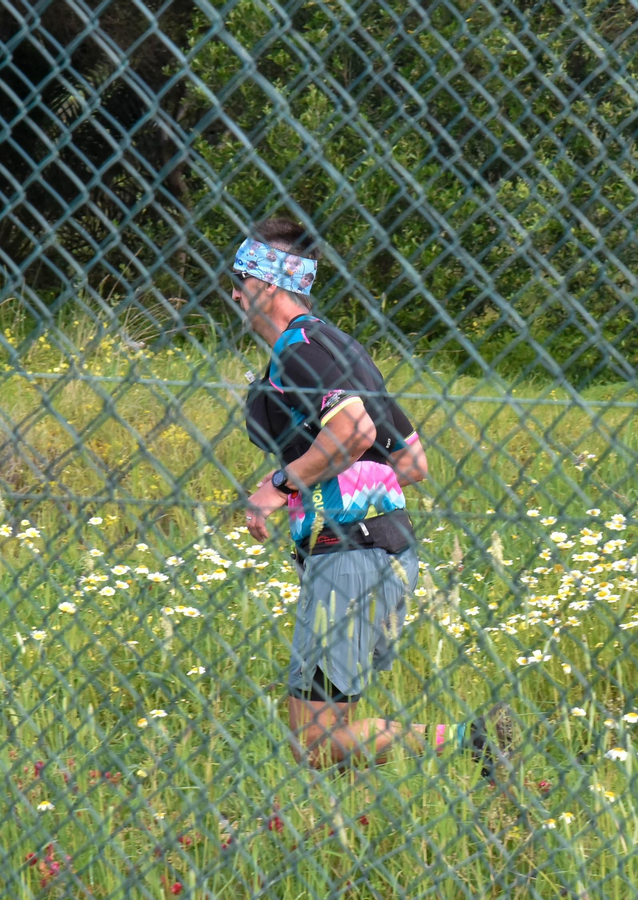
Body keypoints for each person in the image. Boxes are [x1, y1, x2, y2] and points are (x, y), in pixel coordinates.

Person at [230, 217, 511, 777]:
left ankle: (472, 739)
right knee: (328, 736)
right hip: (389, 551)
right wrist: (343, 488)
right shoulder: (345, 351)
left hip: (347, 557)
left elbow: (353, 432)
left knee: (315, 742)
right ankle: (347, 837)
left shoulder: (297, 351)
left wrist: (279, 486)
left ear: (266, 286)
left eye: (239, 281)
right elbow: (410, 461)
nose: (233, 295)